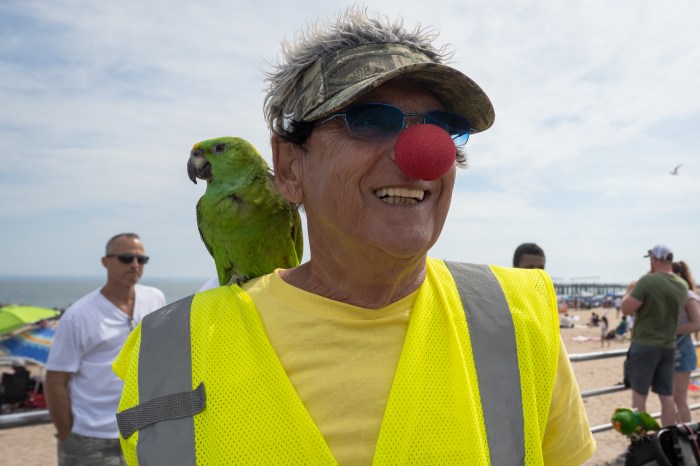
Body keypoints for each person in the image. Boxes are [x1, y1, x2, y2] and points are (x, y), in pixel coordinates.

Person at [114, 8, 595, 465]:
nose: (419, 155)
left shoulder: (519, 321)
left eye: (442, 128)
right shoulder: (166, 350)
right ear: (288, 166)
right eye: (367, 120)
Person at [45, 233, 166, 466]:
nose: (134, 265)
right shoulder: (78, 316)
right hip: (93, 438)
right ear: (106, 261)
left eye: (141, 260)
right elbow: (55, 380)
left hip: (142, 431)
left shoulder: (155, 299)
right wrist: (67, 436)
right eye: (126, 258)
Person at [620, 244, 698, 427]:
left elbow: (626, 309)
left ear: (654, 260)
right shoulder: (682, 285)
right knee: (667, 396)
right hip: (668, 347)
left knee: (639, 396)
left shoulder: (648, 281)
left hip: (645, 344)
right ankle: (669, 437)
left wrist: (630, 290)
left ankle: (641, 440)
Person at [672, 260, 700, 422]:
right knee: (674, 400)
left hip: (682, 351)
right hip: (674, 350)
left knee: (680, 400)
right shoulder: (679, 295)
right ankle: (679, 434)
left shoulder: (688, 295)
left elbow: (697, 323)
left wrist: (672, 330)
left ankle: (688, 435)